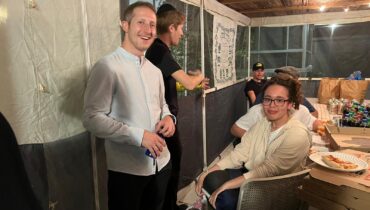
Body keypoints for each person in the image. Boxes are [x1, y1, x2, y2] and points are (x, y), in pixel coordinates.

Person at [82, 2, 176, 210]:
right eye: (140, 22)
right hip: (128, 172)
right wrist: (138, 135)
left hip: (162, 163)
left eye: (152, 24)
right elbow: (91, 118)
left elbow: (162, 105)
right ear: (125, 25)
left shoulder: (155, 71)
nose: (148, 30)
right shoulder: (107, 67)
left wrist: (170, 118)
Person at [195, 74, 312, 210]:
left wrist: (226, 185)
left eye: (279, 100)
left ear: (290, 104)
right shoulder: (263, 123)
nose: (272, 105)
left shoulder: (298, 134)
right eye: (267, 99)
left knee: (225, 195)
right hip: (252, 176)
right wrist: (207, 172)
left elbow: (268, 171)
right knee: (211, 177)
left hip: (275, 190)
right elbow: (240, 153)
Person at [145, 4, 209, 210]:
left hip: (164, 120)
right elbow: (189, 83)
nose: (182, 33)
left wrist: (193, 82)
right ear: (171, 27)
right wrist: (199, 75)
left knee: (169, 167)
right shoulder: (158, 50)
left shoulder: (157, 51)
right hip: (162, 123)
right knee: (169, 168)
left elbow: (168, 82)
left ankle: (170, 205)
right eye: (181, 28)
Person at [254, 66, 319, 118]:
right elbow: (252, 116)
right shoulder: (265, 95)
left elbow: (314, 113)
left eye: (285, 80)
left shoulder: (297, 96)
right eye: (278, 77)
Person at [230, 103, 322, 139]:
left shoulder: (301, 109)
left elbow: (314, 122)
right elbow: (235, 129)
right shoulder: (259, 111)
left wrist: (328, 129)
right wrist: (256, 140)